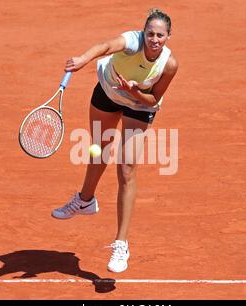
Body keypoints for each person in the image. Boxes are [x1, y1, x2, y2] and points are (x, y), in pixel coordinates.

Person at [52, 8, 178, 273]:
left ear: (168, 37)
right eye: (150, 33)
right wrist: (82, 59)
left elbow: (153, 100)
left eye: (160, 35)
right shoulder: (132, 42)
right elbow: (106, 46)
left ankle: (121, 244)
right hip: (108, 93)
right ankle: (85, 200)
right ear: (144, 33)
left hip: (140, 106)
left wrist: (134, 91)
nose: (154, 39)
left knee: (127, 170)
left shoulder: (168, 64)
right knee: (99, 151)